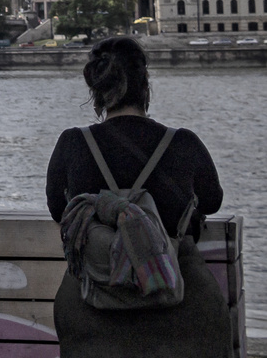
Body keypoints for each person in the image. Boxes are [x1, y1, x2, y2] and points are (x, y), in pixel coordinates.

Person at [45, 36, 229, 358]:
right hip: (180, 305)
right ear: (145, 85)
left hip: (91, 310)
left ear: (97, 90)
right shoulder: (183, 143)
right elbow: (212, 200)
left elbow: (58, 209)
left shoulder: (73, 143)